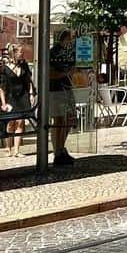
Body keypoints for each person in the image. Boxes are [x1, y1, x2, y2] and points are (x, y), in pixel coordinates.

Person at [49, 30, 77, 166]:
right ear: (64, 39)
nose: (71, 42)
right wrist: (66, 73)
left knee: (69, 118)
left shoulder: (69, 53)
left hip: (67, 89)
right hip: (56, 90)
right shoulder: (53, 53)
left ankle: (61, 149)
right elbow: (49, 73)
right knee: (59, 120)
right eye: (70, 39)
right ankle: (57, 152)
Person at [0, 56, 34, 159]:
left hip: (23, 96)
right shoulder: (5, 69)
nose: (22, 56)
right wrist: (3, 103)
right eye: (20, 53)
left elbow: (28, 81)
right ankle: (8, 147)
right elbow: (2, 87)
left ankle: (16, 150)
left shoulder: (24, 66)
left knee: (20, 122)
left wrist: (31, 93)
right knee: (10, 123)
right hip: (11, 97)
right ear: (13, 54)